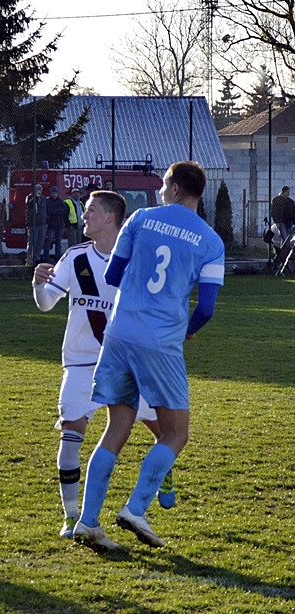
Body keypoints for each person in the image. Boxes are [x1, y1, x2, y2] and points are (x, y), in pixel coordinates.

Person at [81, 161, 224, 549]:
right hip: (161, 340)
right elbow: (207, 307)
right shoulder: (211, 241)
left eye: (164, 184)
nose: (161, 190)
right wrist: (188, 328)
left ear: (176, 188)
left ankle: (88, 521)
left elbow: (112, 276)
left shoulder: (141, 218)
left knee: (116, 427)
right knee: (176, 432)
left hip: (119, 333)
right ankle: (136, 508)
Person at [32, 191, 174, 549]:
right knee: (71, 432)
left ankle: (164, 473)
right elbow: (47, 303)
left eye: (91, 211)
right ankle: (70, 518)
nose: (84, 216)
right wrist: (38, 284)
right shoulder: (75, 257)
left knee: (164, 431)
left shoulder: (136, 260)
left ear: (111, 217)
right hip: (80, 363)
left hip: (126, 363)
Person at [44, 185, 69, 262]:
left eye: (55, 193)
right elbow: (49, 211)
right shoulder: (47, 202)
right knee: (48, 242)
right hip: (51, 225)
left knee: (58, 243)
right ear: (50, 193)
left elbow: (65, 212)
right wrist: (58, 211)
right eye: (53, 193)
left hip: (60, 225)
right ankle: (46, 258)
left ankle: (58, 258)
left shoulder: (61, 201)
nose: (54, 194)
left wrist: (55, 211)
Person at [25, 184, 47, 266]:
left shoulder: (44, 198)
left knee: (40, 242)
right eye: (38, 189)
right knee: (31, 242)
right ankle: (29, 258)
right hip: (33, 224)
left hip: (42, 223)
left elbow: (45, 209)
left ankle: (37, 258)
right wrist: (36, 198)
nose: (39, 191)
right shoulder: (30, 197)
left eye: (41, 189)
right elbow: (29, 205)